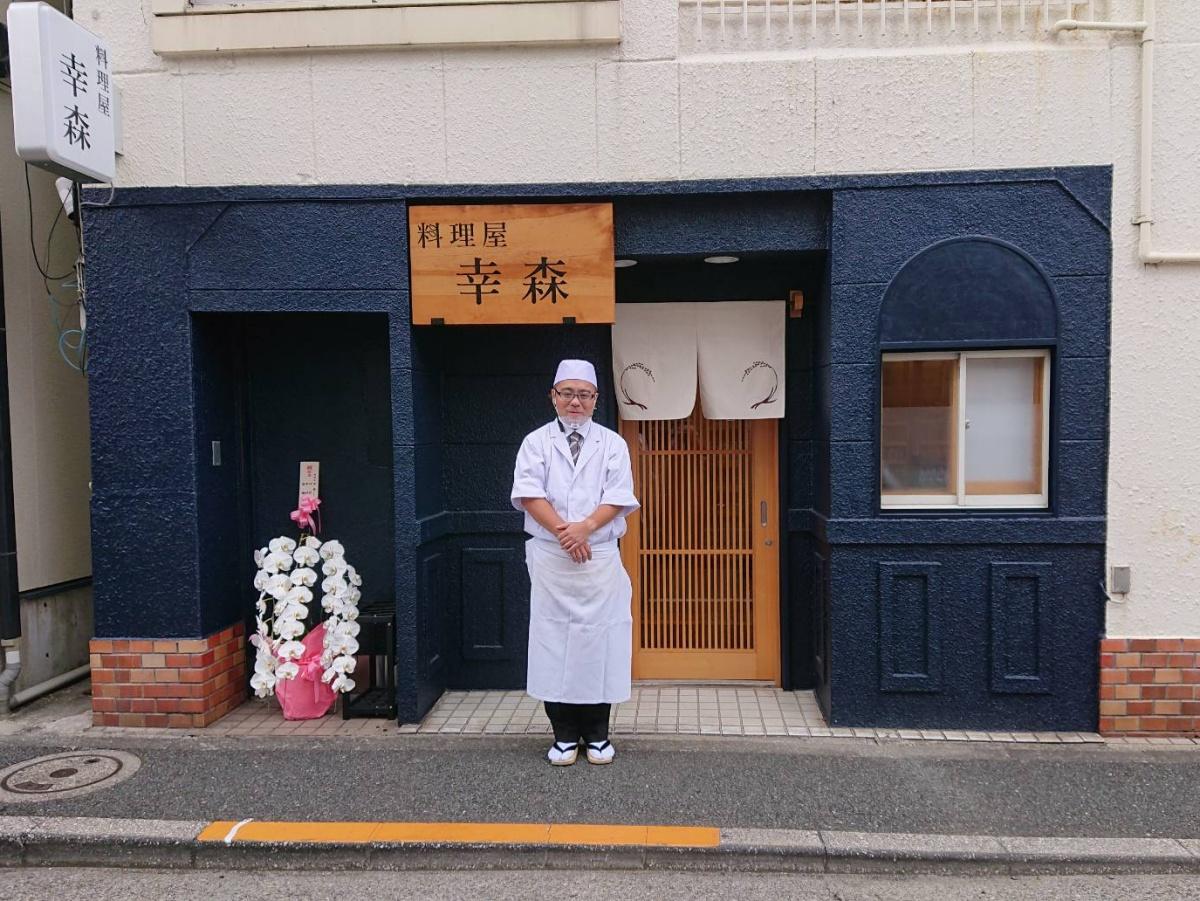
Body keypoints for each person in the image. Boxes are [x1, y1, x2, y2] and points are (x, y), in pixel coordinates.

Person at [510, 359, 640, 766]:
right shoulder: (535, 442)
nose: (575, 401)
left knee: (600, 643)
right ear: (553, 396)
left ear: (596, 400)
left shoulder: (612, 443)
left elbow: (619, 496)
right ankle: (564, 735)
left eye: (584, 394)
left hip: (598, 557)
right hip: (552, 557)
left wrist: (584, 529)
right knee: (554, 643)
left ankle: (598, 735)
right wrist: (567, 534)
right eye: (567, 393)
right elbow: (529, 493)